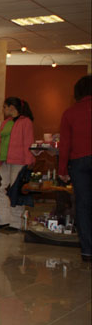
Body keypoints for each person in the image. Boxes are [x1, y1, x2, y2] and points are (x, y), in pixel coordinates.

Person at [58, 74, 92, 262]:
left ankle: (87, 250)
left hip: (79, 162)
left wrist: (62, 169)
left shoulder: (70, 112)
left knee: (83, 205)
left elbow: (65, 144)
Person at [0, 97, 35, 233]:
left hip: (19, 161)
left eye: (5, 107)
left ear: (12, 107)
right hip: (4, 161)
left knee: (15, 191)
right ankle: (3, 220)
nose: (3, 110)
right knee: (1, 190)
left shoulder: (26, 122)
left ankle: (15, 223)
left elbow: (28, 142)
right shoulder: (6, 123)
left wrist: (29, 161)